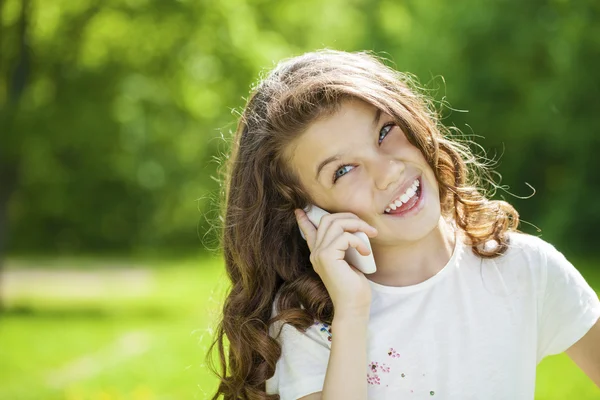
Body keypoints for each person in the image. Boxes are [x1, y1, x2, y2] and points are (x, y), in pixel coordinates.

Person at [206, 49, 600, 400]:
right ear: (308, 213)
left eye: (384, 131)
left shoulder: (527, 270)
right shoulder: (307, 322)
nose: (388, 171)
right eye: (343, 170)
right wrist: (352, 313)